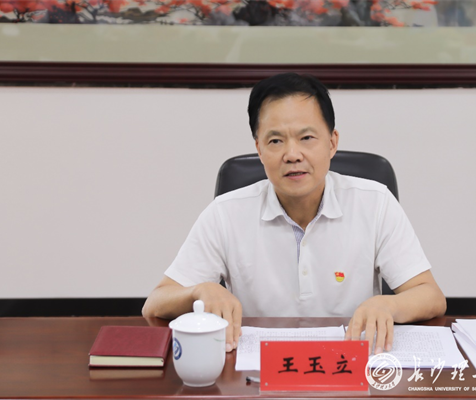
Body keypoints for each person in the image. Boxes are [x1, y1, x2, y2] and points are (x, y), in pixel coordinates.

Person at [143, 73, 446, 355]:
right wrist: (200, 290)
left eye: (306, 138)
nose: (292, 154)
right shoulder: (226, 213)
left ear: (332, 143)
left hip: (350, 366)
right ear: (259, 149)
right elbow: (155, 304)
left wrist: (388, 305)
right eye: (275, 141)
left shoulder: (375, 203)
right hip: (256, 372)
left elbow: (430, 296)